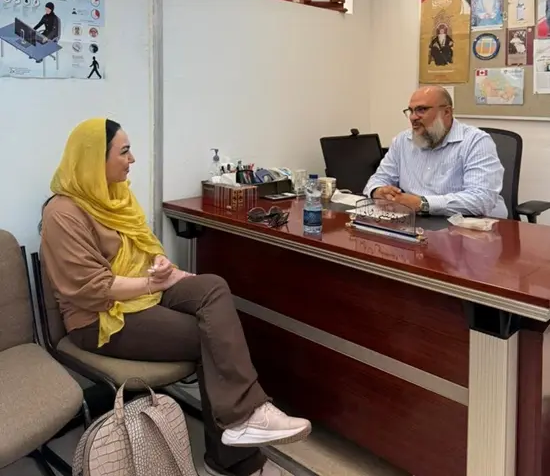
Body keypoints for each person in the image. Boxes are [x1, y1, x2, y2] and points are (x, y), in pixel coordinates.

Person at [40, 119, 311, 476]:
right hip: (97, 319)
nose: (132, 159)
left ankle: (244, 420)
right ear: (94, 159)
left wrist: (161, 264)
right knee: (209, 335)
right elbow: (91, 289)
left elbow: (141, 247)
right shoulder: (62, 214)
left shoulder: (115, 195)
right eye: (124, 152)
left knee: (212, 286)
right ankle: (235, 448)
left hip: (140, 295)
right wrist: (154, 284)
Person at [364, 86, 507, 218]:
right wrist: (378, 191)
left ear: (446, 112)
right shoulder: (402, 140)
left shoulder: (476, 141)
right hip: (416, 223)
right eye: (411, 111)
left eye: (421, 110)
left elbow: (481, 200)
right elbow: (379, 178)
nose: (413, 117)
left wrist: (422, 204)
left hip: (470, 225)